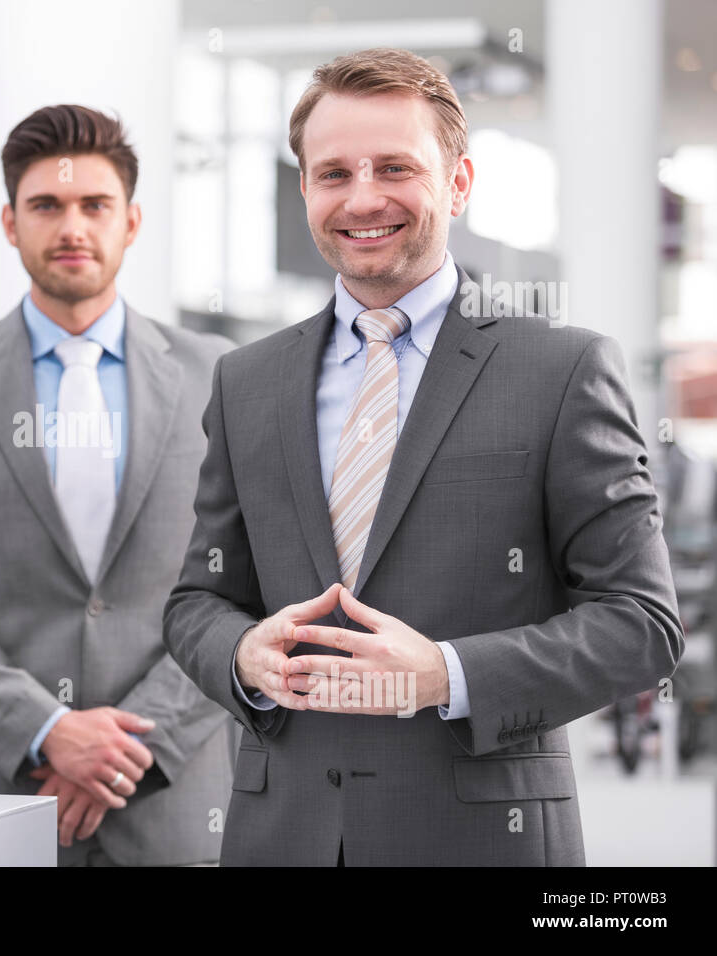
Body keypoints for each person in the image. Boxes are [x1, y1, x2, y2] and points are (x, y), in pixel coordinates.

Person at [163, 48, 684, 866]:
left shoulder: (562, 369)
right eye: (333, 172)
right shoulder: (246, 380)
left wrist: (446, 674)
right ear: (304, 189)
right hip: (282, 836)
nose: (363, 197)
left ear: (459, 182)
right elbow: (198, 598)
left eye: (395, 168)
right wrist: (239, 652)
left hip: (481, 838)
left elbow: (642, 623)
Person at [0, 105, 235, 865]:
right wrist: (48, 730)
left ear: (133, 220)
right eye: (46, 205)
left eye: (95, 205)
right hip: (4, 798)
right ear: (10, 223)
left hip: (175, 805)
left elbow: (244, 590)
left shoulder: (216, 373)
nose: (72, 226)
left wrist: (121, 749)